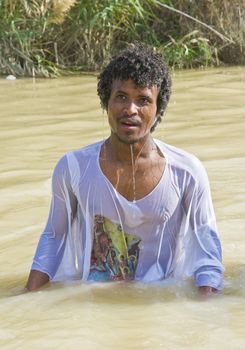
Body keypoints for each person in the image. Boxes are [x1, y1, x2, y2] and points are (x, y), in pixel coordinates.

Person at [26, 44, 224, 294]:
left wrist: (208, 311)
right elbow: (54, 238)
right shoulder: (74, 167)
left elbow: (209, 258)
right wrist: (27, 299)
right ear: (105, 103)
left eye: (143, 100)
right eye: (121, 97)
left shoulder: (187, 172)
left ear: (158, 110)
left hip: (161, 306)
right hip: (95, 307)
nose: (130, 109)